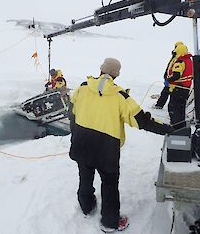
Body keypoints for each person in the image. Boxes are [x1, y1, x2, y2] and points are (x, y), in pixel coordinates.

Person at [69, 58, 174, 233]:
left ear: (101, 70)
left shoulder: (82, 88)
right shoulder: (120, 96)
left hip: (81, 142)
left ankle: (86, 206)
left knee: (85, 175)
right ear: (116, 74)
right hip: (106, 149)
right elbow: (143, 121)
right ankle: (109, 223)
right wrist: (168, 130)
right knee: (109, 183)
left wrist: (76, 134)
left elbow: (71, 113)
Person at [165, 42, 193, 129]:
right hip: (186, 88)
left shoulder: (179, 62)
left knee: (173, 107)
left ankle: (175, 126)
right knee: (181, 108)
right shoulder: (189, 61)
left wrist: (168, 79)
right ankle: (181, 125)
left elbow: (176, 75)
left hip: (178, 88)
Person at [154, 41, 184, 109]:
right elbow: (169, 66)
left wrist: (169, 79)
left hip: (173, 80)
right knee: (165, 92)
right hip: (170, 78)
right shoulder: (174, 56)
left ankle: (160, 105)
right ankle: (160, 105)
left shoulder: (178, 58)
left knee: (167, 93)